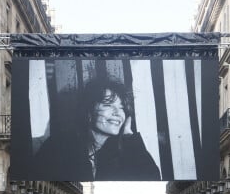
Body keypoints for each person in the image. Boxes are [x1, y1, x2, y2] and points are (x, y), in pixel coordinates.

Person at [33, 77, 161, 181]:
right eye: (108, 105)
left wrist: (129, 136)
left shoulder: (124, 150)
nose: (118, 113)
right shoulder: (59, 145)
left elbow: (152, 177)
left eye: (122, 107)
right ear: (88, 111)